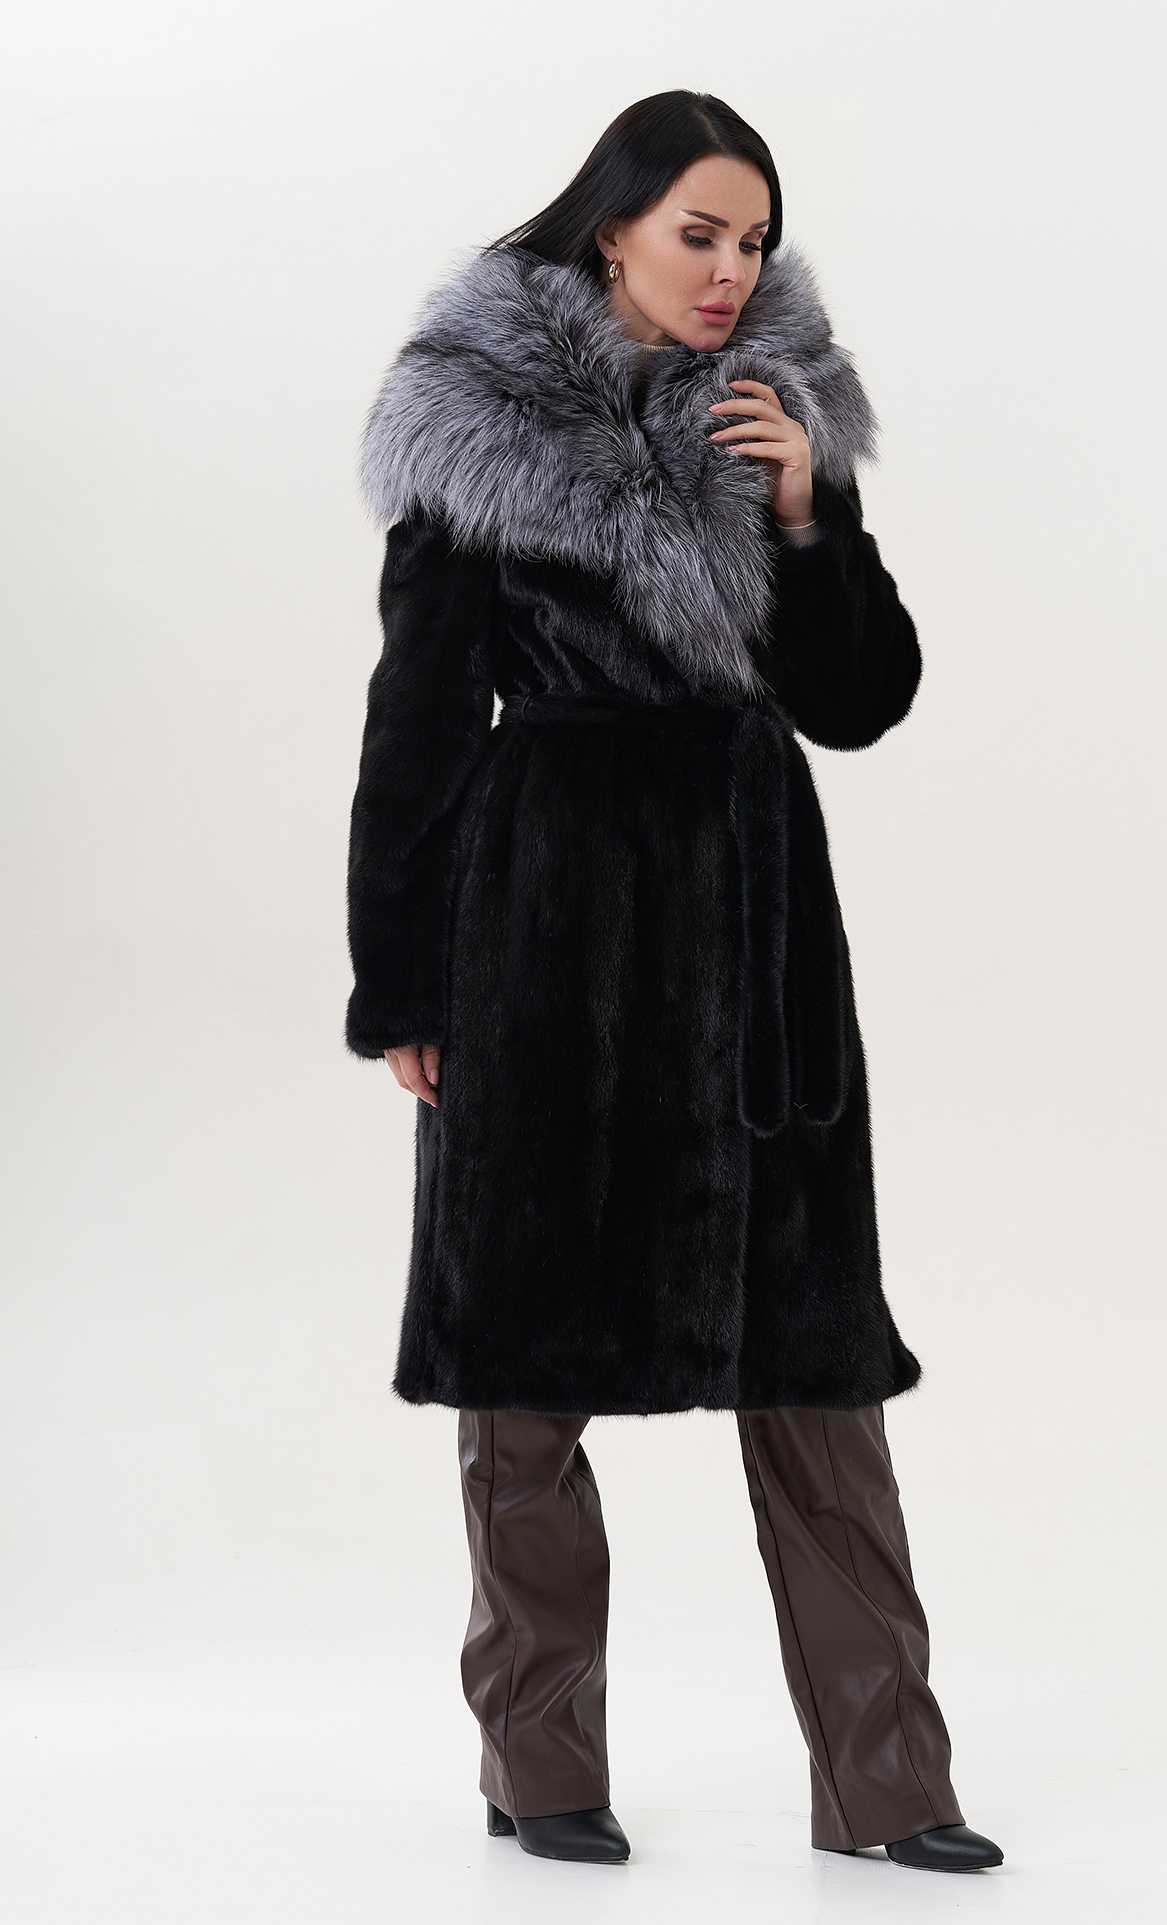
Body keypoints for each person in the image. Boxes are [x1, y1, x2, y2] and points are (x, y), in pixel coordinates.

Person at [345, 89, 1003, 1875]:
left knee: (816, 1353)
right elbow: (417, 722)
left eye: (754, 241)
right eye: (699, 233)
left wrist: (810, 513)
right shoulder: (476, 420)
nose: (730, 271)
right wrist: (404, 981)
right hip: (544, 923)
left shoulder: (777, 413)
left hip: (756, 931)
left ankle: (890, 1782)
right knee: (520, 1354)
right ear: (612, 226)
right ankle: (540, 1760)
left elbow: (858, 701)